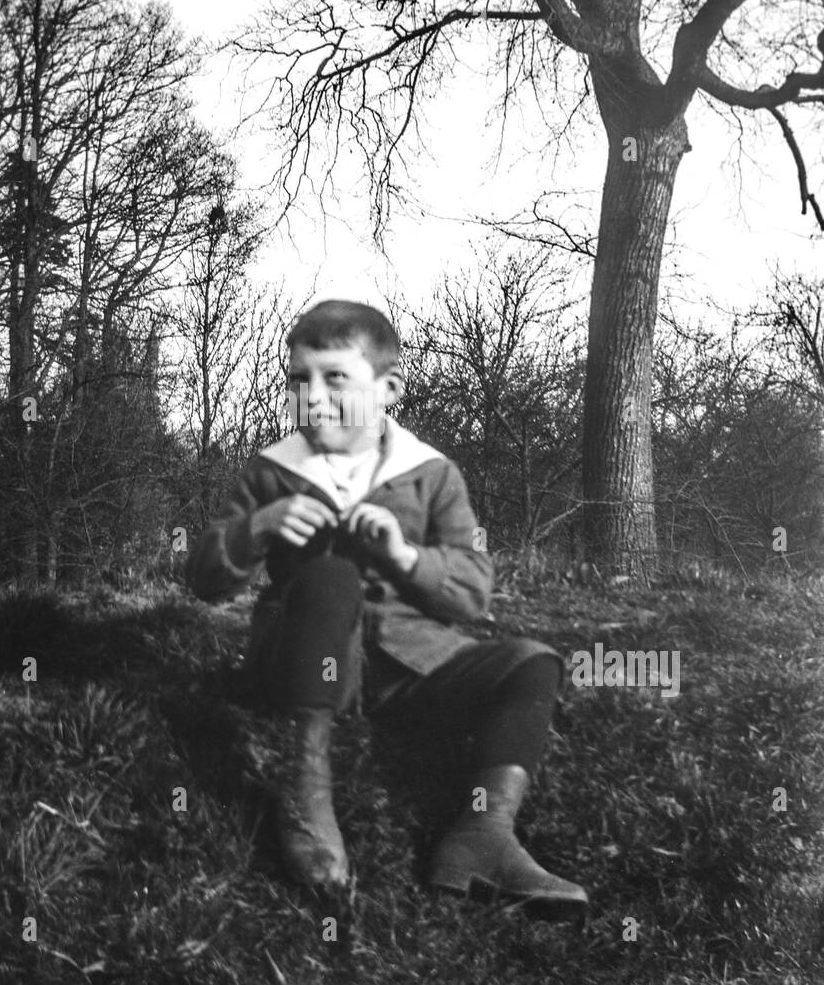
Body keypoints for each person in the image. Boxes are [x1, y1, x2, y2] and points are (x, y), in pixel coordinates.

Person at [187, 299, 587, 921]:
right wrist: (258, 528)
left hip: (410, 667)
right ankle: (306, 794)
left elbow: (474, 591)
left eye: (334, 379)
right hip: (302, 666)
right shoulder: (273, 471)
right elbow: (205, 579)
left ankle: (484, 833)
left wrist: (405, 557)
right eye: (297, 381)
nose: (312, 399)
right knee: (330, 575)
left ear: (389, 388)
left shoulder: (430, 474)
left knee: (533, 664)